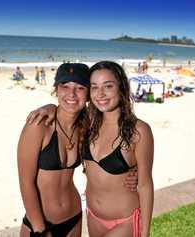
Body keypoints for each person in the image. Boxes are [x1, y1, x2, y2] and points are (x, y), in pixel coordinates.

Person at [27, 61, 154, 237]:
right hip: (92, 217)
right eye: (94, 87)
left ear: (122, 88)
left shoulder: (139, 130)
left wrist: (145, 233)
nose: (100, 94)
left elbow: (146, 184)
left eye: (108, 86)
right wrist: (50, 107)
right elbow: (68, 108)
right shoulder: (88, 124)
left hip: (124, 221)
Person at [18, 63, 90, 237]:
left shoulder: (86, 126)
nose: (71, 94)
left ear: (88, 94)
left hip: (74, 218)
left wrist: (131, 174)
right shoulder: (38, 125)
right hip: (40, 223)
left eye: (80, 87)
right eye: (64, 86)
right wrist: (39, 228)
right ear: (56, 90)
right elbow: (25, 182)